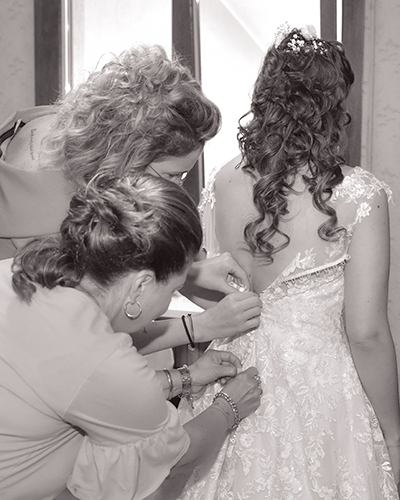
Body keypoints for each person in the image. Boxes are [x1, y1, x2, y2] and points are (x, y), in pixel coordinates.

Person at [177, 25, 400, 499]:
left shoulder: (224, 180)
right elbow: (367, 332)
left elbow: (205, 285)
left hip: (235, 377)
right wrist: (394, 433)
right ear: (334, 106)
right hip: (324, 390)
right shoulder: (360, 195)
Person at [0, 172, 262, 500]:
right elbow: (175, 461)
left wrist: (186, 376)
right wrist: (228, 407)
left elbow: (82, 389)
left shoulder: (18, 270)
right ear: (139, 286)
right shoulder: (102, 360)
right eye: (175, 289)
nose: (169, 301)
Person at [0, 44, 262, 355]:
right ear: (130, 152)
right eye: (171, 176)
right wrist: (202, 326)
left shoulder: (56, 127)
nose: (177, 190)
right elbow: (87, 341)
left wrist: (189, 273)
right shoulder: (60, 216)